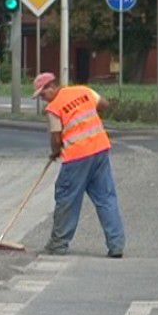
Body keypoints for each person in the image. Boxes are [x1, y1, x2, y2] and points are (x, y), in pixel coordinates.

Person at [32, 72, 125, 258]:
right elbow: (104, 104)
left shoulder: (53, 108)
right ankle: (116, 245)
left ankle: (58, 244)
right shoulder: (83, 91)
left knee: (66, 197)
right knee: (106, 198)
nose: (43, 100)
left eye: (43, 95)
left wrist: (55, 153)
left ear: (52, 86)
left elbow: (56, 138)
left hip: (77, 157)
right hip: (100, 150)